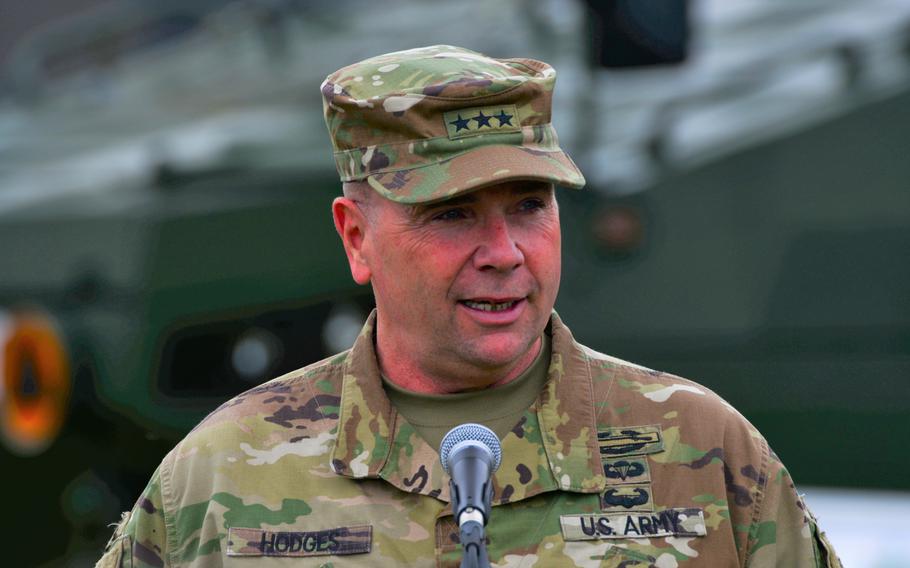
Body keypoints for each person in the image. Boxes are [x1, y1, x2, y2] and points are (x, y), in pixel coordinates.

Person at [97, 45, 840, 567]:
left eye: (528, 205)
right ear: (357, 238)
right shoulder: (222, 477)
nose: (505, 251)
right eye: (452, 213)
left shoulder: (703, 453)